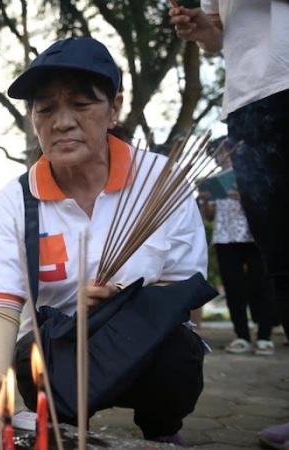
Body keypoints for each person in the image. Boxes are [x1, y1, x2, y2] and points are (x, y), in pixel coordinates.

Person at [0, 37, 209, 447]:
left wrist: (125, 307)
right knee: (31, 362)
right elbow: (1, 304)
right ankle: (66, 425)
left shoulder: (160, 182)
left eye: (81, 104)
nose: (62, 122)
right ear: (33, 118)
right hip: (60, 349)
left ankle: (161, 426)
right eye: (45, 109)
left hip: (145, 343)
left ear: (114, 108)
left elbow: (183, 288)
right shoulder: (14, 202)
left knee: (178, 354)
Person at [170, 4, 289, 447]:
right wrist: (206, 30)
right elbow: (226, 38)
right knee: (281, 263)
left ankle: (257, 334)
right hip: (248, 99)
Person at [199, 138, 274, 355]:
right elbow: (210, 216)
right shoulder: (215, 180)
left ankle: (264, 337)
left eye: (220, 152)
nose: (217, 157)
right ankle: (241, 336)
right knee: (233, 288)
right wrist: (205, 201)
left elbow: (265, 206)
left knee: (261, 285)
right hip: (224, 238)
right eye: (214, 154)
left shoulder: (252, 175)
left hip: (253, 237)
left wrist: (243, 196)